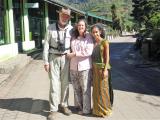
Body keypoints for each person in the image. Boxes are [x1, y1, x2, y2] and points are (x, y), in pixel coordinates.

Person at [43, 7, 73, 120]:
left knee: (65, 84)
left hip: (66, 58)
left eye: (67, 16)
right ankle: (53, 110)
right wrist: (45, 61)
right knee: (54, 85)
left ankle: (64, 105)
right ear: (59, 15)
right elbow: (46, 45)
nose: (65, 17)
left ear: (69, 17)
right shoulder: (50, 28)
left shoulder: (71, 29)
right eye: (63, 14)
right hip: (53, 58)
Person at [67, 19, 94, 115]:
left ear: (85, 26)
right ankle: (79, 107)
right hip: (73, 67)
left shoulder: (89, 37)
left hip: (85, 67)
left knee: (85, 89)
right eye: (79, 25)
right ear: (76, 26)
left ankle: (86, 110)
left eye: (82, 25)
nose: (80, 27)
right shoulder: (73, 37)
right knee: (76, 88)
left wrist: (74, 54)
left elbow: (88, 51)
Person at [91, 23, 113, 117]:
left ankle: (105, 110)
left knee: (103, 90)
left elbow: (107, 57)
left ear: (100, 32)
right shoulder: (93, 43)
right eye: (93, 32)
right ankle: (96, 110)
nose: (95, 34)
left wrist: (105, 70)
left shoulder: (104, 42)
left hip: (102, 68)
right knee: (96, 90)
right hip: (94, 68)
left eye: (96, 32)